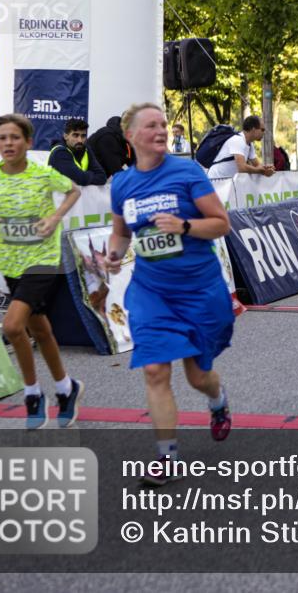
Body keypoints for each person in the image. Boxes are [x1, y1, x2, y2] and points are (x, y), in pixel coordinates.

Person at [105, 103, 235, 484]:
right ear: (130, 136)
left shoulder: (187, 171)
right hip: (151, 291)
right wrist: (113, 255)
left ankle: (218, 400)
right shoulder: (122, 184)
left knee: (198, 377)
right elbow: (120, 233)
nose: (161, 130)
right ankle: (167, 457)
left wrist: (184, 225)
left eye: (163, 124)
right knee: (155, 369)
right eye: (151, 126)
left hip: (198, 288)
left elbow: (220, 224)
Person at [0, 114, 83, 429]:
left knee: (14, 326)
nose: (8, 143)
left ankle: (32, 394)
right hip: (10, 263)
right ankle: (66, 388)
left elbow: (74, 191)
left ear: (28, 142)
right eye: (2, 138)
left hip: (43, 259)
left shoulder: (44, 174)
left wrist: (55, 218)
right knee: (41, 331)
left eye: (15, 137)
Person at [206, 115, 275, 179]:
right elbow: (242, 168)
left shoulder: (250, 144)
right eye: (262, 129)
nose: (264, 132)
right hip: (216, 180)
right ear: (253, 129)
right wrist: (262, 171)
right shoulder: (238, 140)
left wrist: (266, 169)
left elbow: (257, 165)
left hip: (226, 182)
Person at [48, 118, 108, 186]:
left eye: (83, 136)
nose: (80, 140)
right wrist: (89, 175)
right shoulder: (59, 152)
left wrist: (83, 176)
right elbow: (80, 179)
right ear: (65, 136)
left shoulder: (86, 149)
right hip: (62, 196)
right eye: (75, 135)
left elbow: (102, 177)